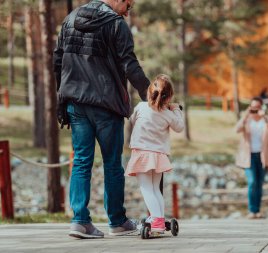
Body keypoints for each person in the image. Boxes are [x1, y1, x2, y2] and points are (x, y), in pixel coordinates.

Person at [53, 0, 150, 239]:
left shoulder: (71, 19)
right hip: (107, 104)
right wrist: (151, 95)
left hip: (76, 101)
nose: (129, 11)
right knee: (112, 164)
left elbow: (58, 60)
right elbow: (129, 64)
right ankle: (117, 221)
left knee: (82, 161)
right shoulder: (116, 25)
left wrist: (62, 97)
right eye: (128, 4)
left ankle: (79, 221)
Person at [125, 74, 184, 233]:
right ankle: (159, 218)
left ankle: (157, 221)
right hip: (158, 155)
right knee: (155, 189)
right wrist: (176, 109)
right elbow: (179, 127)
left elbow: (131, 120)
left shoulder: (141, 107)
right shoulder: (168, 113)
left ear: (149, 92)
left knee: (146, 188)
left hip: (142, 154)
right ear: (169, 96)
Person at [235, 97, 268, 219]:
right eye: (253, 107)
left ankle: (257, 211)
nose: (255, 110)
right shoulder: (246, 120)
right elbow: (237, 129)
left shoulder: (265, 120)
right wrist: (245, 115)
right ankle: (252, 210)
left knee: (259, 183)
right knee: (252, 181)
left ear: (261, 107)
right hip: (249, 156)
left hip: (263, 155)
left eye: (257, 107)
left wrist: (264, 117)